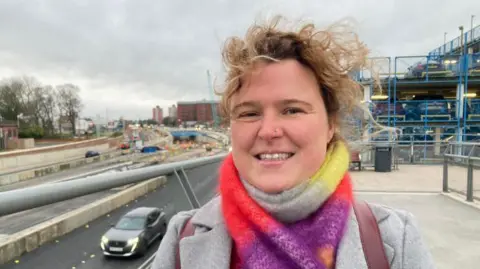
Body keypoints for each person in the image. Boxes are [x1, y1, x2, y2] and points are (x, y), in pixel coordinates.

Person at [151, 16, 436, 269]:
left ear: (330, 125)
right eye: (249, 113)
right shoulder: (180, 239)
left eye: (292, 110)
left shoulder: (394, 241)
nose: (269, 131)